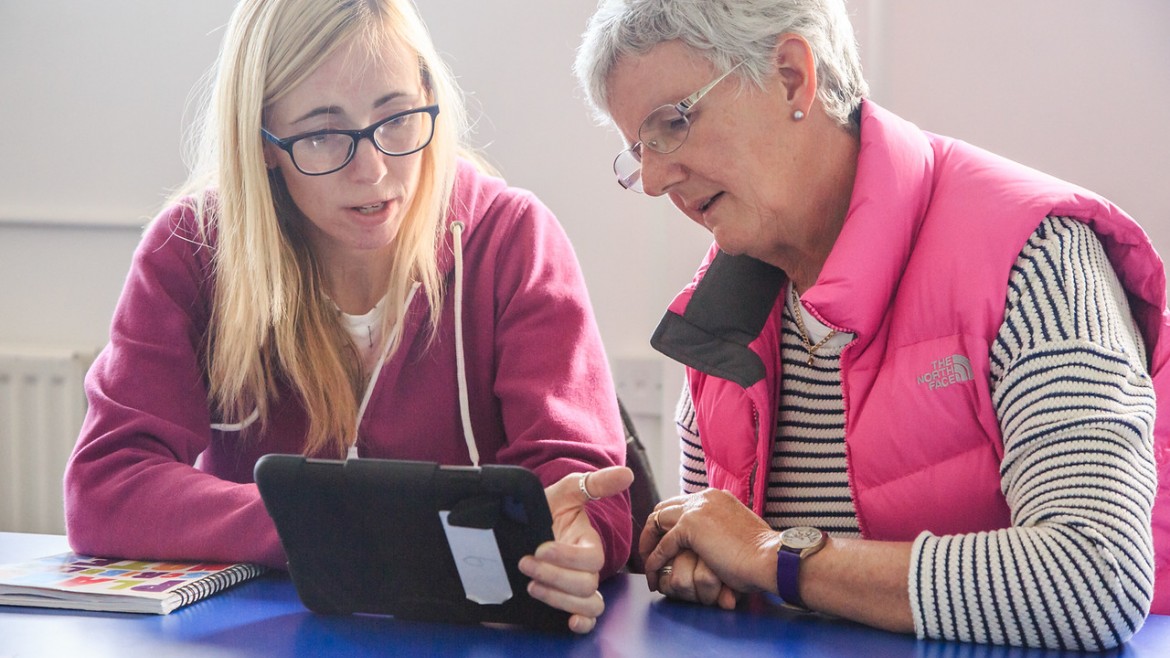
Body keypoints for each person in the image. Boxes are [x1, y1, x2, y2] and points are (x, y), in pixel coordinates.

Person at [574, 0, 1169, 650]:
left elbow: (1096, 577)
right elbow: (727, 560)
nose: (656, 180)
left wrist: (778, 557)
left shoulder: (1040, 255)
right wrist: (701, 562)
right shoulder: (715, 317)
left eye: (672, 124)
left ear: (794, 77)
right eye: (640, 150)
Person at [64, 0, 632, 634]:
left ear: (429, 98)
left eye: (395, 118)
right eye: (322, 133)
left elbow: (585, 487)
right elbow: (107, 486)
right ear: (265, 142)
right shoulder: (191, 252)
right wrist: (329, 525)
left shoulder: (513, 239)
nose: (374, 170)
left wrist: (578, 546)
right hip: (269, 636)